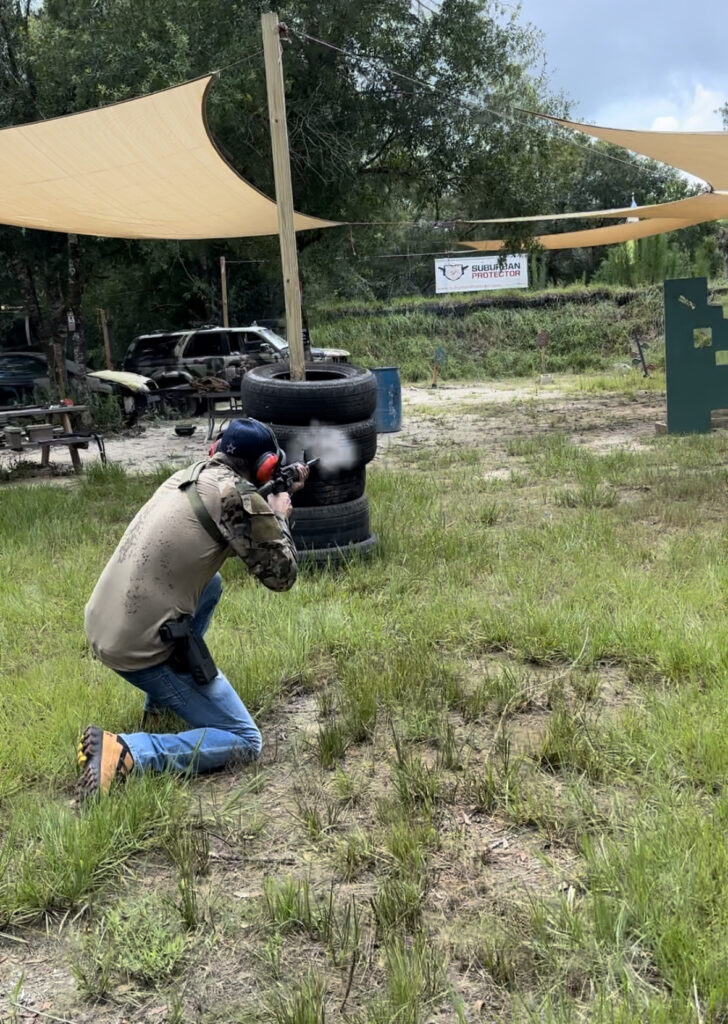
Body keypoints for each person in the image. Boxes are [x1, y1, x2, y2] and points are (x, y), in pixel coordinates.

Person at [78, 417, 308, 798]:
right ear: (266, 466)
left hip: (104, 623)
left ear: (216, 450)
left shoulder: (189, 476)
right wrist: (280, 514)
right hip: (135, 650)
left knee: (211, 586)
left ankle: (159, 704)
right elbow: (281, 576)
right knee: (245, 740)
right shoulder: (237, 497)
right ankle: (128, 751)